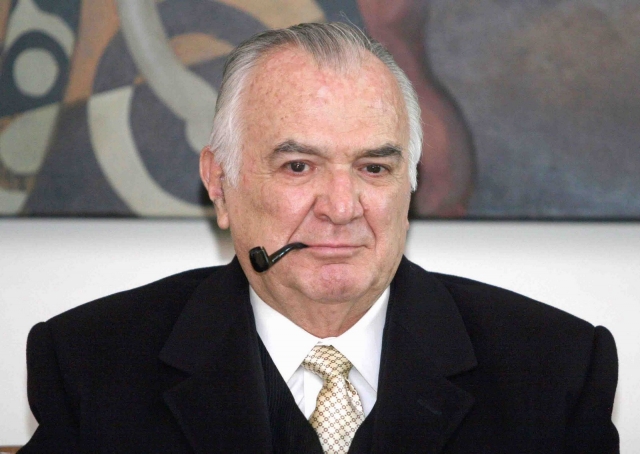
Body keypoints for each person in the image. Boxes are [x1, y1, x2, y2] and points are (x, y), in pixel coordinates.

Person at [21, 22, 618, 453]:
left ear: (410, 184)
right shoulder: (91, 365)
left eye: (374, 168)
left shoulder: (555, 369)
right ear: (220, 184)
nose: (340, 208)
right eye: (298, 166)